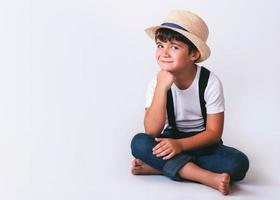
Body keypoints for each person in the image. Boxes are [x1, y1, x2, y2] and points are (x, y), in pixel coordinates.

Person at [130, 10, 249, 195]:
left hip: (202, 143)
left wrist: (181, 147)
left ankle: (161, 167)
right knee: (139, 142)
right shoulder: (156, 83)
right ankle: (206, 177)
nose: (164, 53)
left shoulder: (210, 82)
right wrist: (162, 88)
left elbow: (214, 133)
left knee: (239, 164)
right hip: (170, 139)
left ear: (193, 54)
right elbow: (151, 131)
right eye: (160, 45)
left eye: (174, 47)